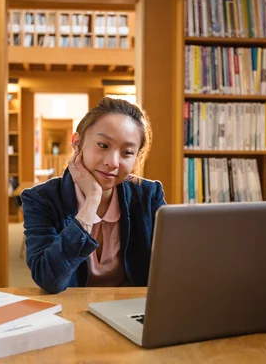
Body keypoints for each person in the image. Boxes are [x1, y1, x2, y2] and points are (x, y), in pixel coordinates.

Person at [21, 97, 166, 294]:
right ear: (77, 142)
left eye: (127, 152)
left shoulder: (148, 196)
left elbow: (170, 267)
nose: (113, 162)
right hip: (70, 312)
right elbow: (50, 279)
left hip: (130, 310)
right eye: (103, 145)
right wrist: (92, 201)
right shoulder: (42, 199)